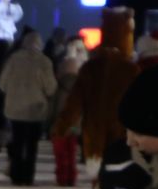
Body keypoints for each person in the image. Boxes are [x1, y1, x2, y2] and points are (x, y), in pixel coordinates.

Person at [53, 13, 138, 172]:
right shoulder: (130, 70)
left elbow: (74, 102)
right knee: (118, 179)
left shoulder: (91, 68)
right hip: (122, 134)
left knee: (100, 181)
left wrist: (62, 127)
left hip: (95, 134)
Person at [0, 30, 55, 186]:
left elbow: (2, 84)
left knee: (17, 142)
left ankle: (16, 174)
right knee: (32, 145)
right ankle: (28, 175)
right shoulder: (44, 62)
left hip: (15, 109)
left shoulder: (13, 59)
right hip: (35, 110)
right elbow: (50, 88)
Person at [50, 54, 83, 187]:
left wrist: (49, 124)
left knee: (61, 152)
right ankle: (72, 176)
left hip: (60, 123)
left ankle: (62, 176)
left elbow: (52, 107)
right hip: (76, 124)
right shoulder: (82, 86)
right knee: (72, 151)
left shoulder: (58, 86)